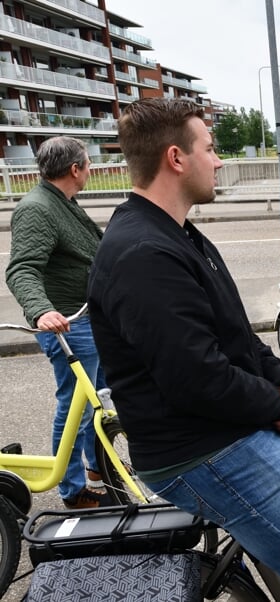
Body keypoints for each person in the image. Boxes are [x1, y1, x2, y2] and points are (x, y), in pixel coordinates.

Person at [87, 98, 280, 600]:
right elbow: (196, 378)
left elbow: (234, 332)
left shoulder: (179, 234)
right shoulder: (143, 253)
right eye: (210, 148)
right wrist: (278, 404)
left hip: (231, 420)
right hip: (198, 446)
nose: (220, 160)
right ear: (176, 158)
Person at [5, 136, 110, 510]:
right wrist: (40, 311)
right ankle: (71, 489)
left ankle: (99, 467)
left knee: (103, 401)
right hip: (67, 326)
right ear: (75, 170)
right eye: (87, 163)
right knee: (77, 409)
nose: (90, 170)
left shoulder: (62, 202)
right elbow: (21, 270)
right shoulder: (37, 209)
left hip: (87, 320)